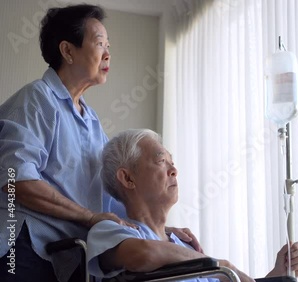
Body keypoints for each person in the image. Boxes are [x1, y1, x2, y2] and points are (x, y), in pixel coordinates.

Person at [0, 5, 198, 282]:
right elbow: (15, 180)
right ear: (68, 51)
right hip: (21, 248)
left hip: (65, 258)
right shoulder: (36, 99)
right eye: (99, 43)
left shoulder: (90, 120)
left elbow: (113, 199)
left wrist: (163, 232)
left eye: (109, 45)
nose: (108, 53)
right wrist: (89, 217)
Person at [87, 129, 298, 281]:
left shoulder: (185, 246)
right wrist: (221, 265)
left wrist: (277, 274)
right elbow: (143, 255)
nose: (174, 170)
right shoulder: (109, 231)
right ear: (127, 179)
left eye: (173, 163)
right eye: (161, 161)